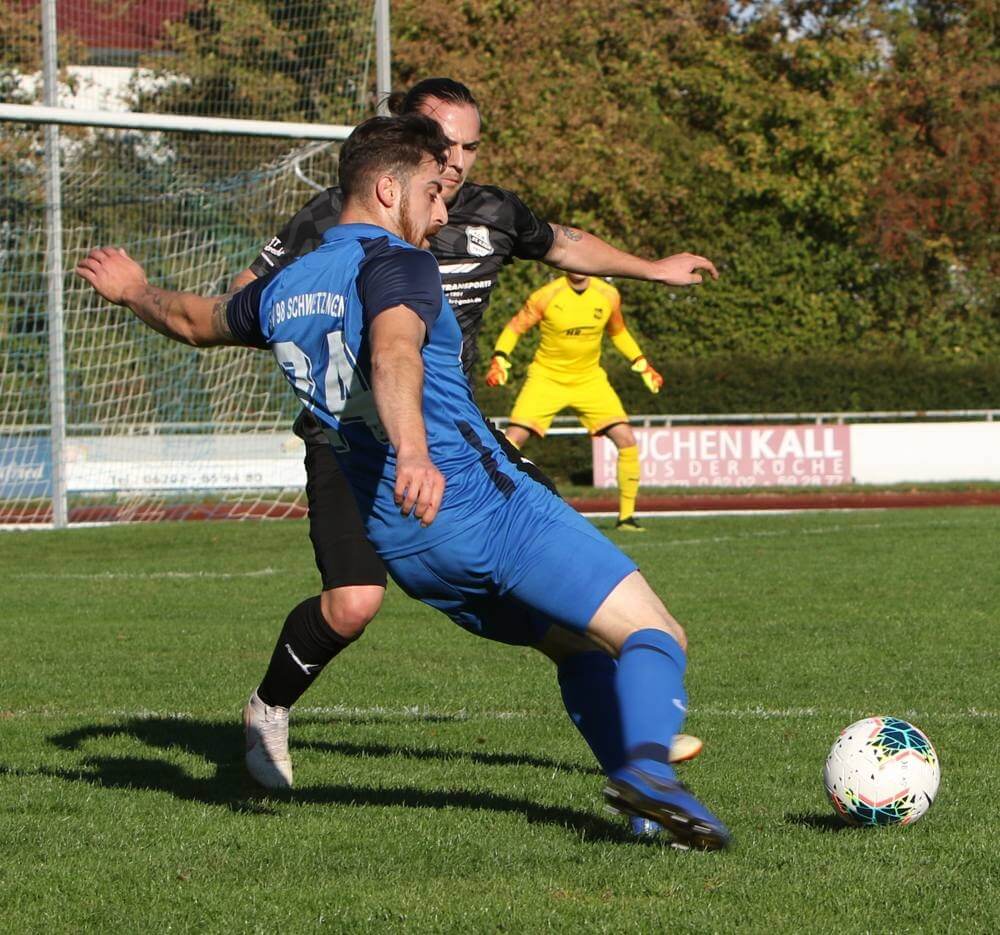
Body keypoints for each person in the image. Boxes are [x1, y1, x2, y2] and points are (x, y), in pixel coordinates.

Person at [75, 113, 732, 850]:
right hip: (481, 506)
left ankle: (648, 814)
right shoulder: (396, 263)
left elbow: (196, 321)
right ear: (388, 188)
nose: (443, 210)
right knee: (654, 632)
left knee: (577, 647)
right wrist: (416, 451)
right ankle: (647, 770)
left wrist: (134, 291)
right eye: (431, 190)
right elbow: (394, 355)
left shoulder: (287, 286)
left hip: (408, 543)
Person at [227, 78, 718, 801]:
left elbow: (563, 242)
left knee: (567, 610)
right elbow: (255, 294)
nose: (455, 161)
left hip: (454, 442)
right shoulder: (343, 214)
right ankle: (269, 706)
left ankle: (636, 739)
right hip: (353, 443)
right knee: (355, 602)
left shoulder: (486, 209)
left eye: (469, 145)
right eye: (442, 143)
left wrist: (651, 268)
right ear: (403, 153)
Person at [486, 273, 663, 531]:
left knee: (626, 439)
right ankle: (494, 508)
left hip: (589, 379)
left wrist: (642, 362)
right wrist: (500, 358)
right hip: (547, 378)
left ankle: (627, 517)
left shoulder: (608, 295)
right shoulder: (545, 296)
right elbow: (515, 327)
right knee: (511, 440)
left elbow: (619, 331)